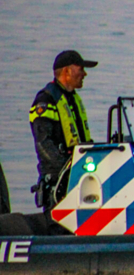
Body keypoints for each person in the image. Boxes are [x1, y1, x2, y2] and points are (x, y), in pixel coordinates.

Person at [29, 50, 98, 211]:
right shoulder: (46, 101)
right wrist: (67, 171)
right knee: (58, 228)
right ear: (67, 71)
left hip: (78, 178)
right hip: (57, 182)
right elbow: (43, 143)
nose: (85, 74)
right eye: (80, 69)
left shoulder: (72, 99)